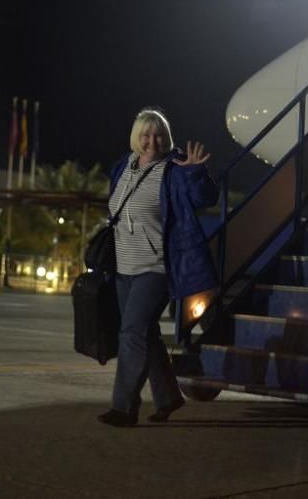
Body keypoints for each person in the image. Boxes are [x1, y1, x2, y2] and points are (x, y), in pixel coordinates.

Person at [97, 107, 219, 428]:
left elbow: (204, 197)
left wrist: (196, 172)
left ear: (167, 138)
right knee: (146, 334)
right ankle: (168, 397)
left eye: (159, 134)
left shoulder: (174, 169)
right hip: (124, 266)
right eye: (146, 134)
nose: (152, 140)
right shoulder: (123, 167)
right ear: (137, 137)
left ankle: (124, 408)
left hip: (157, 267)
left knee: (132, 333)